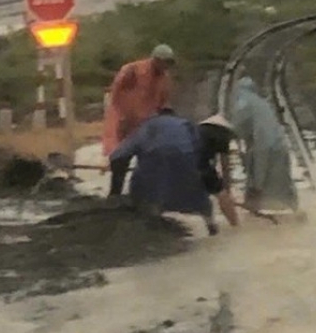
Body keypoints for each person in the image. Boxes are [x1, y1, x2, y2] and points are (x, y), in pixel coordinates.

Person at [109, 107, 219, 236]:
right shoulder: (187, 125)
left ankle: (151, 224)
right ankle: (211, 226)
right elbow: (203, 152)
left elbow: (118, 156)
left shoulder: (147, 126)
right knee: (200, 198)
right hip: (186, 165)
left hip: (154, 168)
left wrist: (115, 193)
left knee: (145, 197)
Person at [102, 44, 175, 194]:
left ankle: (141, 196)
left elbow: (164, 102)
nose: (165, 66)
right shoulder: (132, 71)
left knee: (149, 162)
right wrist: (121, 117)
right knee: (120, 160)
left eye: (168, 63)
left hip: (146, 125)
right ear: (155, 59)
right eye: (164, 62)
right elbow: (114, 94)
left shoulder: (165, 78)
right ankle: (115, 196)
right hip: (124, 121)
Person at [230, 76, 298, 213]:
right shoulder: (261, 104)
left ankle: (260, 225)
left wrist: (257, 185)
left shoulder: (244, 102)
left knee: (262, 197)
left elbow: (237, 126)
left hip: (265, 152)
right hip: (280, 150)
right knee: (283, 194)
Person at [198, 114, 240, 226]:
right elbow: (224, 163)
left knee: (201, 193)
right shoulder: (222, 133)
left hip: (185, 162)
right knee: (221, 194)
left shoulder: (200, 130)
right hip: (201, 164)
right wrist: (227, 189)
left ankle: (211, 226)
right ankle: (236, 226)